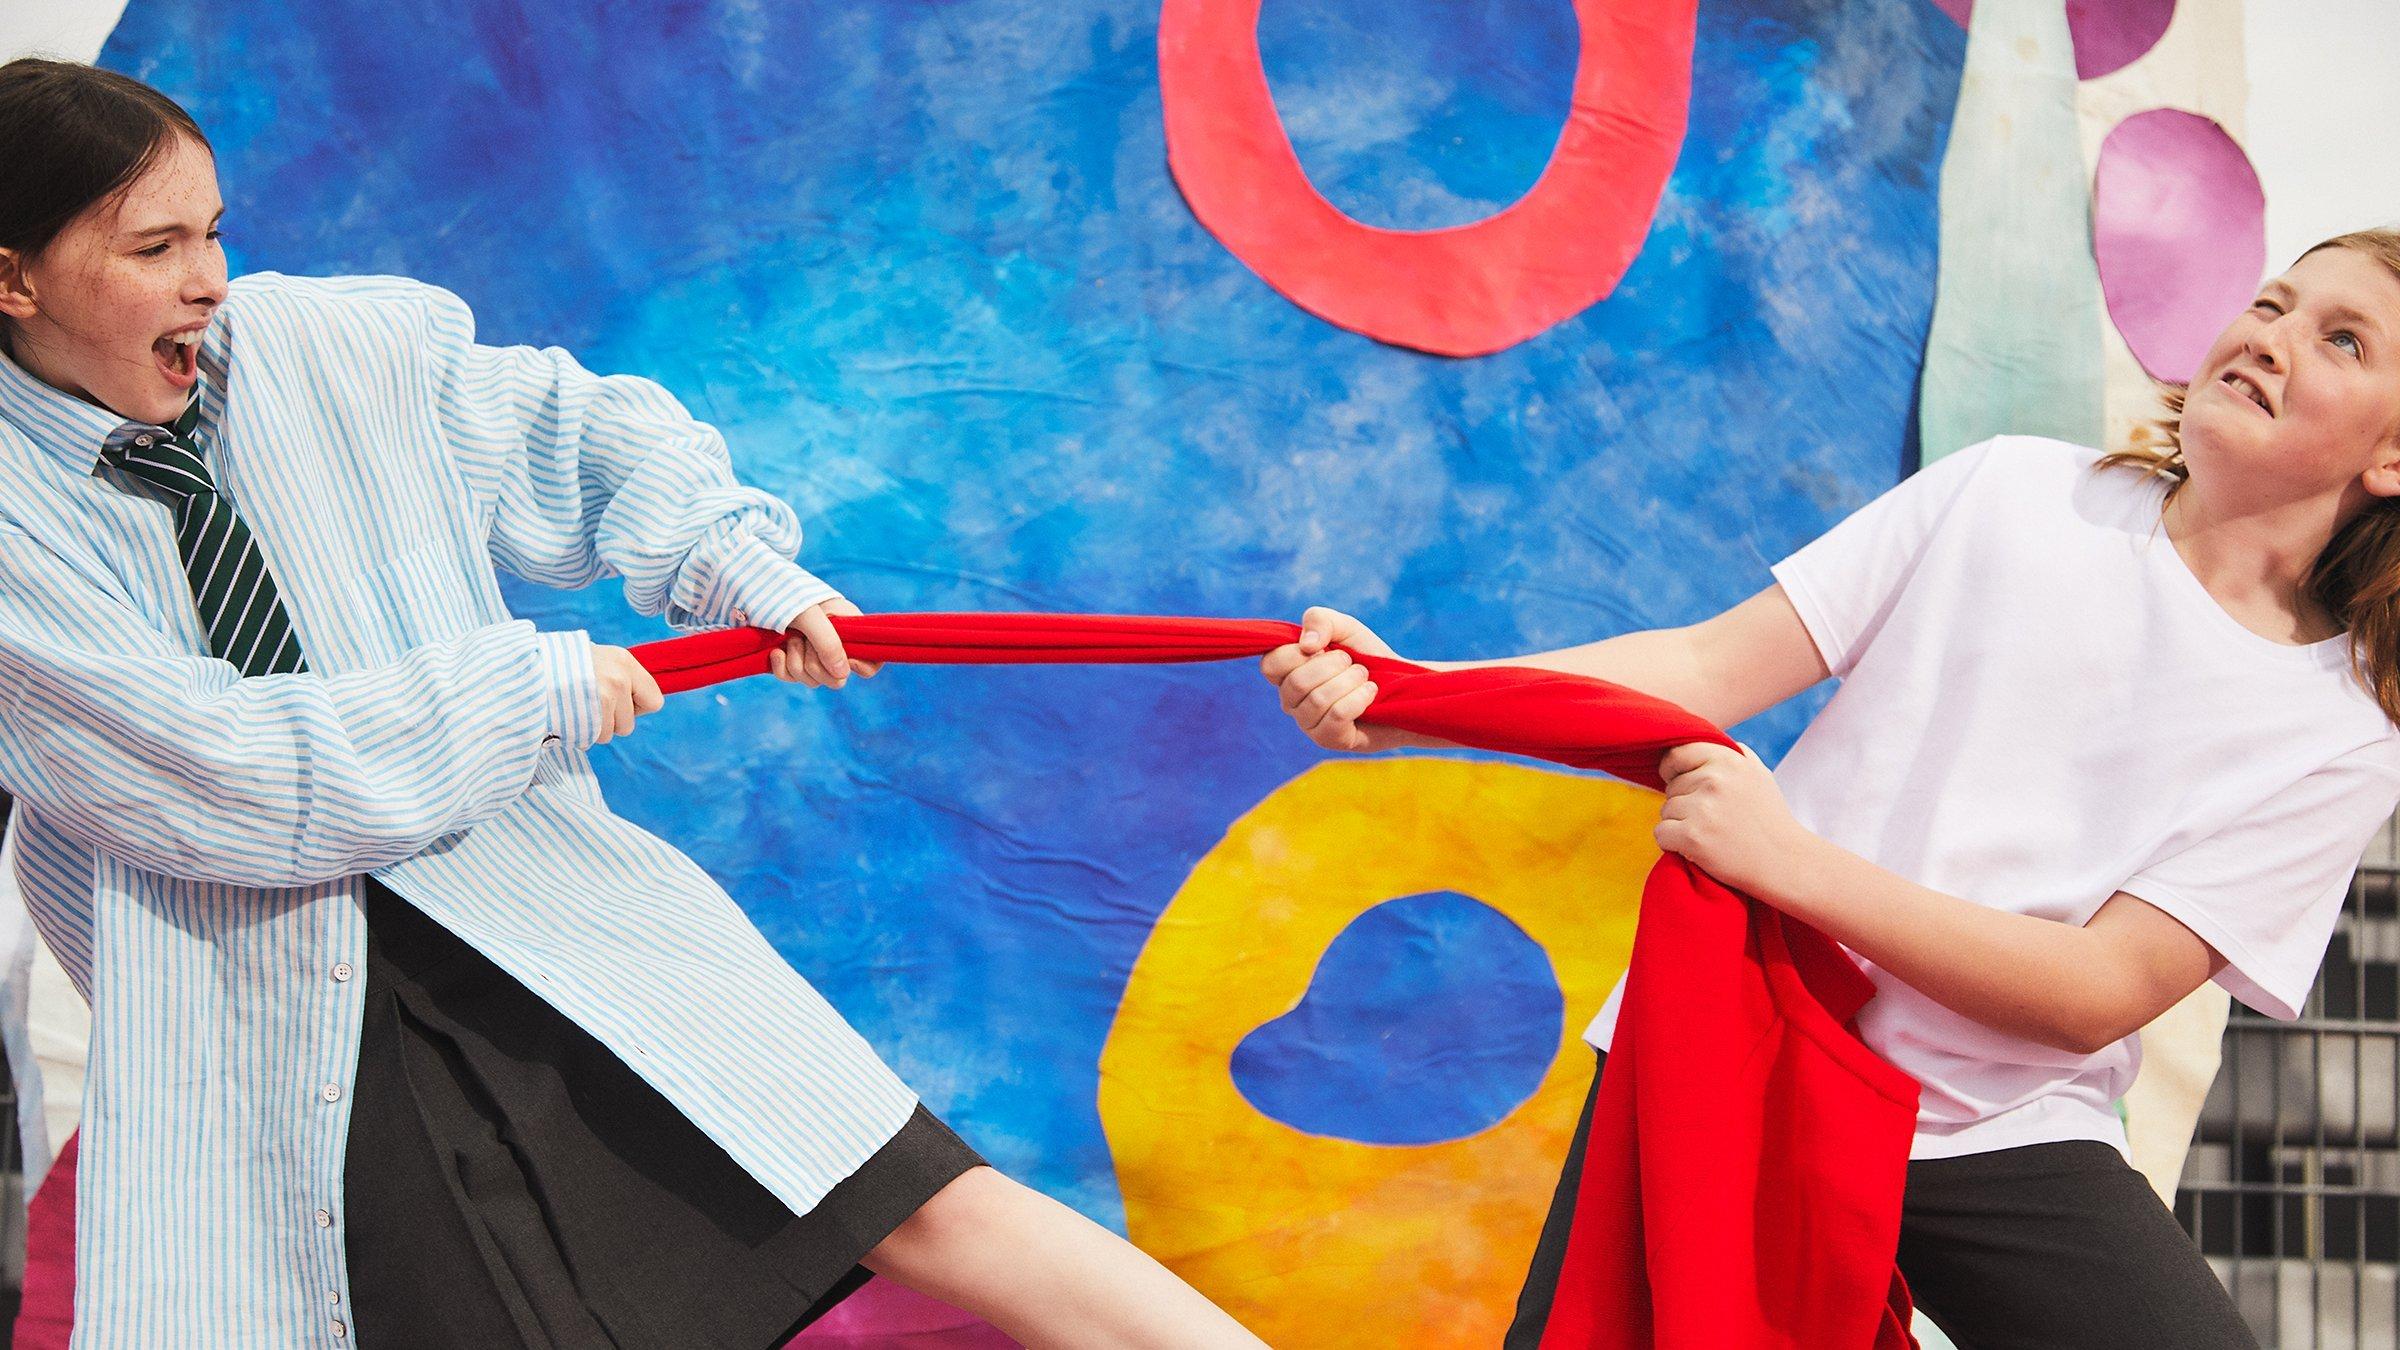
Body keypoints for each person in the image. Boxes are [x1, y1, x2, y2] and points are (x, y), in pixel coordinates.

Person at [0, 57, 1263, 1349]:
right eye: (155, 246)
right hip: (282, 1010)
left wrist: (733, 566)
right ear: (14, 278)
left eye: (212, 230)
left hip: (530, 898)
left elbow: (581, 434)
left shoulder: (332, 348)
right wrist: (530, 690)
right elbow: (209, 768)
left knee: (913, 1196)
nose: (208, 277)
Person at [1263, 228, 2400, 1348]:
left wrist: (1790, 863)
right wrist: (1417, 693)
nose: (2273, 336)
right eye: (2272, 302)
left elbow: (2099, 988)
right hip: (1737, 1050)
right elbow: (1708, 666)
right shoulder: (2012, 488)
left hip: (1997, 1129)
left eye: (2342, 339)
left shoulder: (2341, 733)